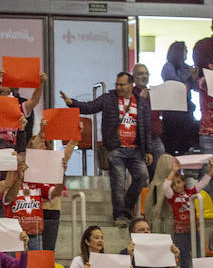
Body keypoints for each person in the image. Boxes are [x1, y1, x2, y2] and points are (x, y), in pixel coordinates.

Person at [62, 72, 152, 225]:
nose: (118, 87)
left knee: (142, 176)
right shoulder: (109, 98)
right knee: (118, 181)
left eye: (122, 84)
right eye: (116, 84)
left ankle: (128, 207)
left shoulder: (141, 104)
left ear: (130, 85)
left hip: (135, 149)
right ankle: (119, 215)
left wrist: (148, 150)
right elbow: (90, 106)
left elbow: (147, 128)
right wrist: (72, 102)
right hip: (115, 148)